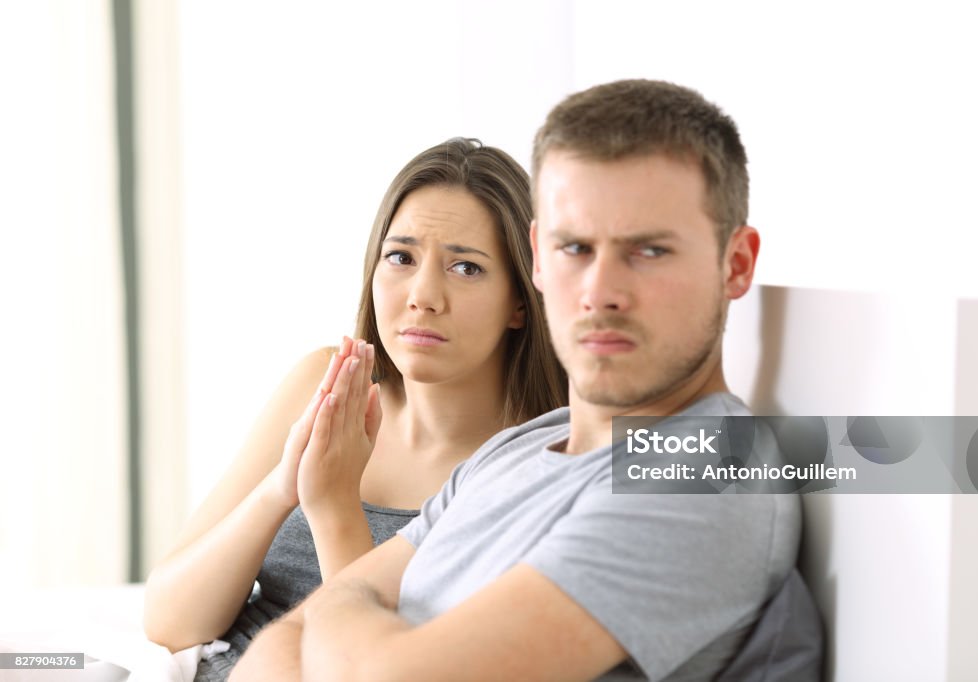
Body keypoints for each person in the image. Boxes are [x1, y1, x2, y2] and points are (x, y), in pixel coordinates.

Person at [231, 80, 815, 682]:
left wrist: (349, 618)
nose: (600, 293)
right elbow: (289, 636)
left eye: (649, 251)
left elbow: (378, 666)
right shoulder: (519, 449)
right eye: (575, 248)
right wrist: (348, 625)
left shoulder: (709, 471)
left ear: (736, 264)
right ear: (538, 258)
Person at [142, 138, 568, 680]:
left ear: (520, 300)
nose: (423, 295)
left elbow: (390, 667)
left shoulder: (543, 455)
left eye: (466, 268)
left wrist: (333, 504)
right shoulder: (322, 383)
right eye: (401, 258)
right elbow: (170, 622)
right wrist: (282, 487)